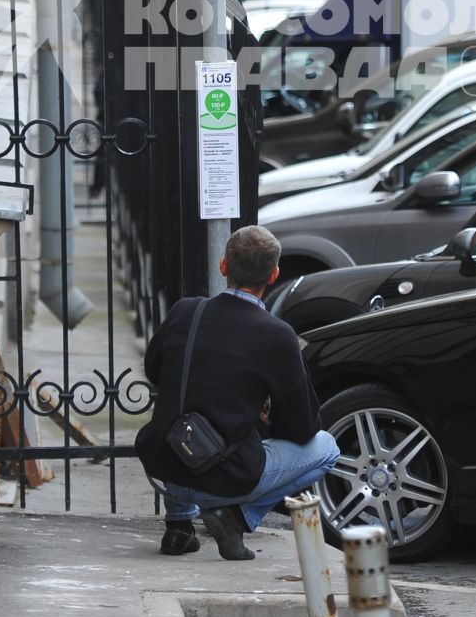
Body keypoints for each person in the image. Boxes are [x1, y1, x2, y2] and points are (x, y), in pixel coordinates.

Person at [137, 225, 340, 559]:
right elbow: (303, 428)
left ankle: (178, 527)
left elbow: (155, 373)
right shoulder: (277, 334)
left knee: (183, 415)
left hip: (163, 464)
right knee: (327, 448)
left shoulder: (185, 310)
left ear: (223, 266)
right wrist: (266, 415)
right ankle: (236, 516)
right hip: (220, 479)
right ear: (274, 275)